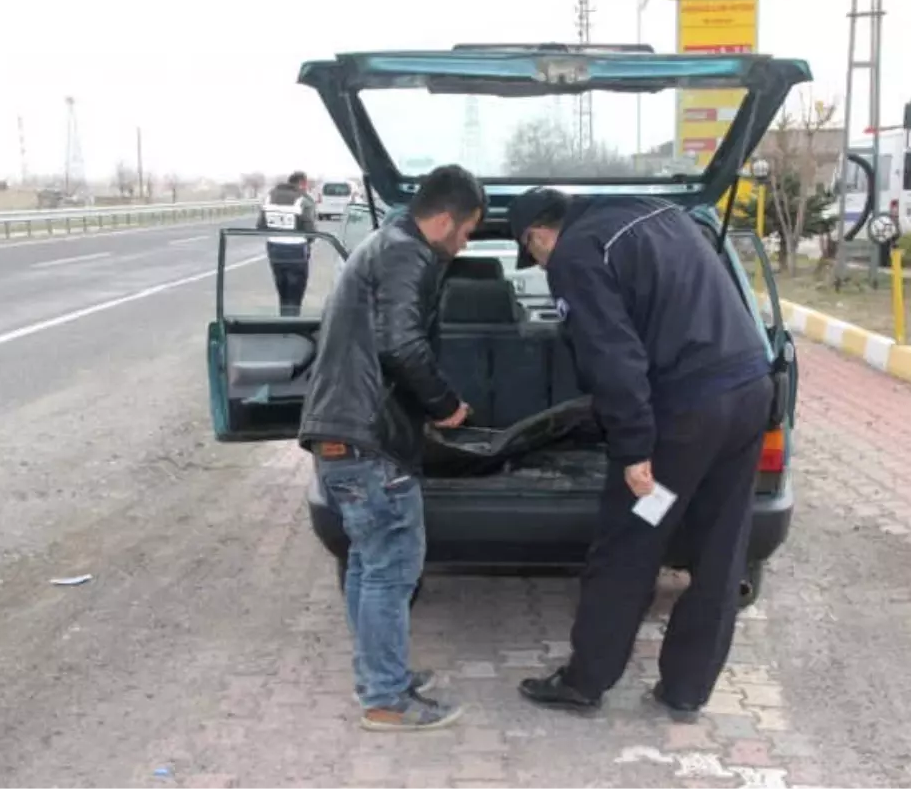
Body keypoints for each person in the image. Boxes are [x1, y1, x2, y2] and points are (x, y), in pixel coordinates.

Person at [508, 187, 775, 723]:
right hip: (750, 394)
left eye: (532, 255)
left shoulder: (576, 253)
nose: (541, 264)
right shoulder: (660, 212)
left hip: (686, 419)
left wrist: (633, 450)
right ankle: (686, 688)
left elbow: (614, 359)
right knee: (723, 549)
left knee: (632, 540)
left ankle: (586, 681)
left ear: (537, 235)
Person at [297, 165, 486, 732]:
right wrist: (446, 405)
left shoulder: (381, 244)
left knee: (367, 564)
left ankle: (381, 674)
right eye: (469, 230)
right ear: (447, 219)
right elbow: (400, 343)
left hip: (340, 434)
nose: (466, 242)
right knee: (391, 569)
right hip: (368, 440)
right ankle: (385, 700)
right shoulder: (410, 253)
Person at [258, 171, 318, 316]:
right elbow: (310, 231)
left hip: (274, 251)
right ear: (302, 183)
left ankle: (284, 319)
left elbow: (260, 226)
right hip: (296, 251)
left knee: (282, 289)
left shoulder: (269, 197)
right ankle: (291, 324)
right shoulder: (303, 199)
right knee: (295, 292)